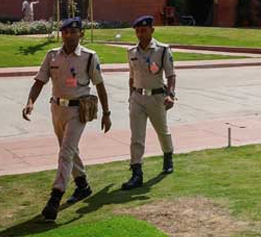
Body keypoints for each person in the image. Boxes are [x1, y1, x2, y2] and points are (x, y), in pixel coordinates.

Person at [22, 17, 111, 221]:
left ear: (81, 34)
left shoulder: (89, 57)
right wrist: (30, 102)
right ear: (61, 34)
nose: (69, 35)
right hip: (57, 109)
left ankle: (55, 197)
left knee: (66, 152)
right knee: (68, 149)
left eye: (73, 32)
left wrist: (106, 113)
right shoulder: (52, 55)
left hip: (78, 111)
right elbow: (39, 81)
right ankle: (82, 185)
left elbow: (100, 85)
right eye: (65, 32)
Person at [121, 15, 177, 190]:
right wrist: (131, 96)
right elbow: (132, 76)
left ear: (152, 30)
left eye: (143, 30)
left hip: (157, 97)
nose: (140, 34)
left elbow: (171, 75)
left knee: (162, 131)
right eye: (137, 31)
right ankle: (136, 173)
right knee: (136, 136)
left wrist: (171, 95)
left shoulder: (162, 50)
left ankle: (168, 156)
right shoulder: (131, 52)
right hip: (137, 98)